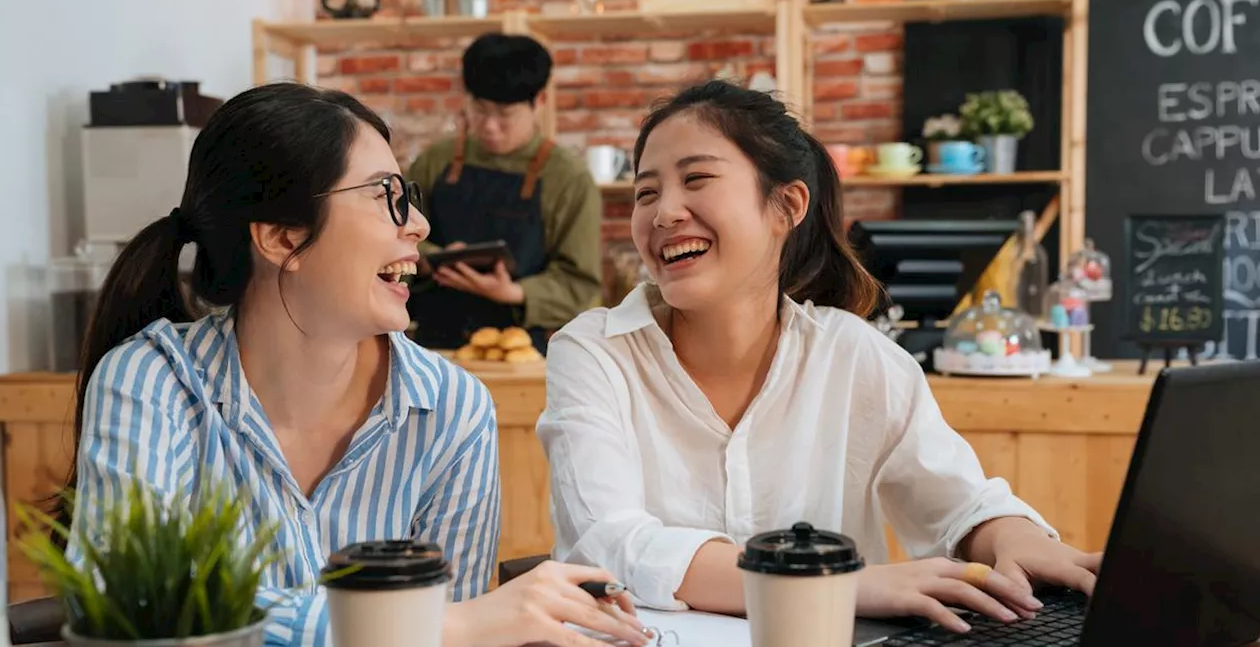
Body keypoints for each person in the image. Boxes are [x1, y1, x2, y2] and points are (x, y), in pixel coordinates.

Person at [59, 82, 650, 647]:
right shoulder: (152, 380)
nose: (418, 226)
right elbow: (129, 600)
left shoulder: (450, 409)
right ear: (283, 239)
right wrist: (438, 629)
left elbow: (448, 628)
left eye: (408, 198)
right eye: (383, 196)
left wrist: (445, 630)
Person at [536, 80, 1101, 635]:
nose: (663, 213)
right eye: (646, 192)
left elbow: (957, 502)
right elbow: (611, 541)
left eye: (696, 179)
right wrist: (834, 585)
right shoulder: (593, 352)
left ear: (787, 205)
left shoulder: (852, 354)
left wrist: (1015, 538)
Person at [407, 32, 602, 354]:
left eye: (505, 115)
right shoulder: (435, 161)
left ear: (539, 101)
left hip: (520, 354)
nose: (489, 126)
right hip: (431, 348)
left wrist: (514, 292)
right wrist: (430, 259)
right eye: (480, 110)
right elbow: (391, 236)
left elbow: (580, 284)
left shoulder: (568, 178)